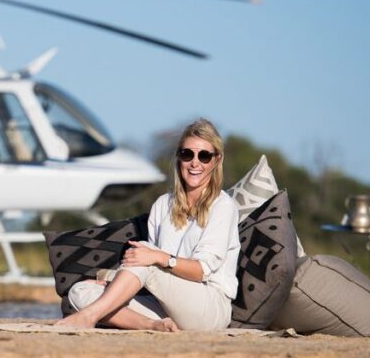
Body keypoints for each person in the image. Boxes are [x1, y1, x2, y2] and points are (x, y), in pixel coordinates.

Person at [56, 118, 240, 332]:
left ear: (216, 160)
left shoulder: (223, 206)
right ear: (179, 157)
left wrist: (160, 258)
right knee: (80, 291)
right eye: (187, 154)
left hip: (209, 307)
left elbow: (201, 271)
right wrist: (114, 282)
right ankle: (153, 325)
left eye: (204, 156)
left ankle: (88, 317)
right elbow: (148, 272)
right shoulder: (163, 204)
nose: (195, 163)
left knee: (147, 252)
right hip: (166, 306)